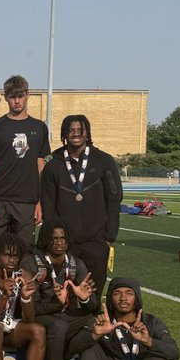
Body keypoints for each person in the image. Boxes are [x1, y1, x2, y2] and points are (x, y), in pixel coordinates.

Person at [40, 114, 123, 290]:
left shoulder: (104, 161)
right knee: (65, 291)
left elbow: (114, 199)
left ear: (87, 133)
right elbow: (48, 207)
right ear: (64, 134)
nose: (76, 134)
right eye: (71, 130)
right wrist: (53, 239)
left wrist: (109, 237)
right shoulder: (53, 166)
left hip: (96, 241)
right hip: (65, 243)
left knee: (93, 290)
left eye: (80, 130)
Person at [23, 218, 99, 360]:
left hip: (63, 316)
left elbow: (93, 306)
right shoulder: (31, 263)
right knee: (59, 326)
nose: (59, 243)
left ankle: (64, 354)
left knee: (95, 321)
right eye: (54, 238)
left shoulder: (75, 264)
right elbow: (30, 309)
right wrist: (55, 303)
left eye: (62, 238)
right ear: (45, 240)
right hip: (38, 317)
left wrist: (84, 299)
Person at [0, 74, 50, 249]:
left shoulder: (39, 127)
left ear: (28, 95)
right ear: (5, 97)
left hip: (27, 202)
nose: (17, 101)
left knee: (25, 252)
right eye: (12, 97)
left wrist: (40, 202)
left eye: (20, 96)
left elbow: (41, 167)